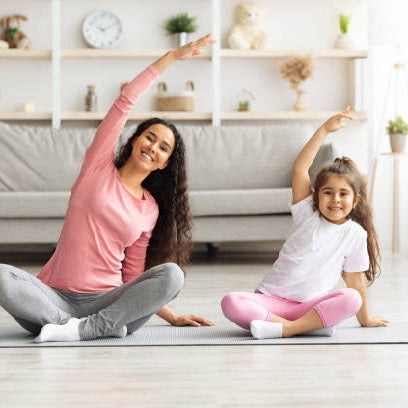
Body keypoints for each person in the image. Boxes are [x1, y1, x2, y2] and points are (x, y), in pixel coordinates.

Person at [0, 34, 215, 343]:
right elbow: (125, 100)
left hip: (109, 301)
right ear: (135, 139)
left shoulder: (149, 208)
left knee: (172, 275)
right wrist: (171, 57)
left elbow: (133, 274)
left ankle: (80, 330)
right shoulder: (98, 166)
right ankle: (81, 328)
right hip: (53, 299)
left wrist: (170, 316)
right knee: (2, 277)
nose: (153, 147)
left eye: (163, 147)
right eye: (150, 137)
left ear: (165, 163)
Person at [221, 106, 388, 339]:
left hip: (310, 307)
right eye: (328, 192)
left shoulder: (355, 234)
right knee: (231, 302)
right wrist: (323, 130)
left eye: (343, 194)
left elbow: (354, 280)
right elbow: (300, 169)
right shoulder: (306, 213)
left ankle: (286, 329)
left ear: (356, 200)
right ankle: (304, 327)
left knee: (352, 298)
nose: (335, 200)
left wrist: (366, 319)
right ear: (317, 195)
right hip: (272, 301)